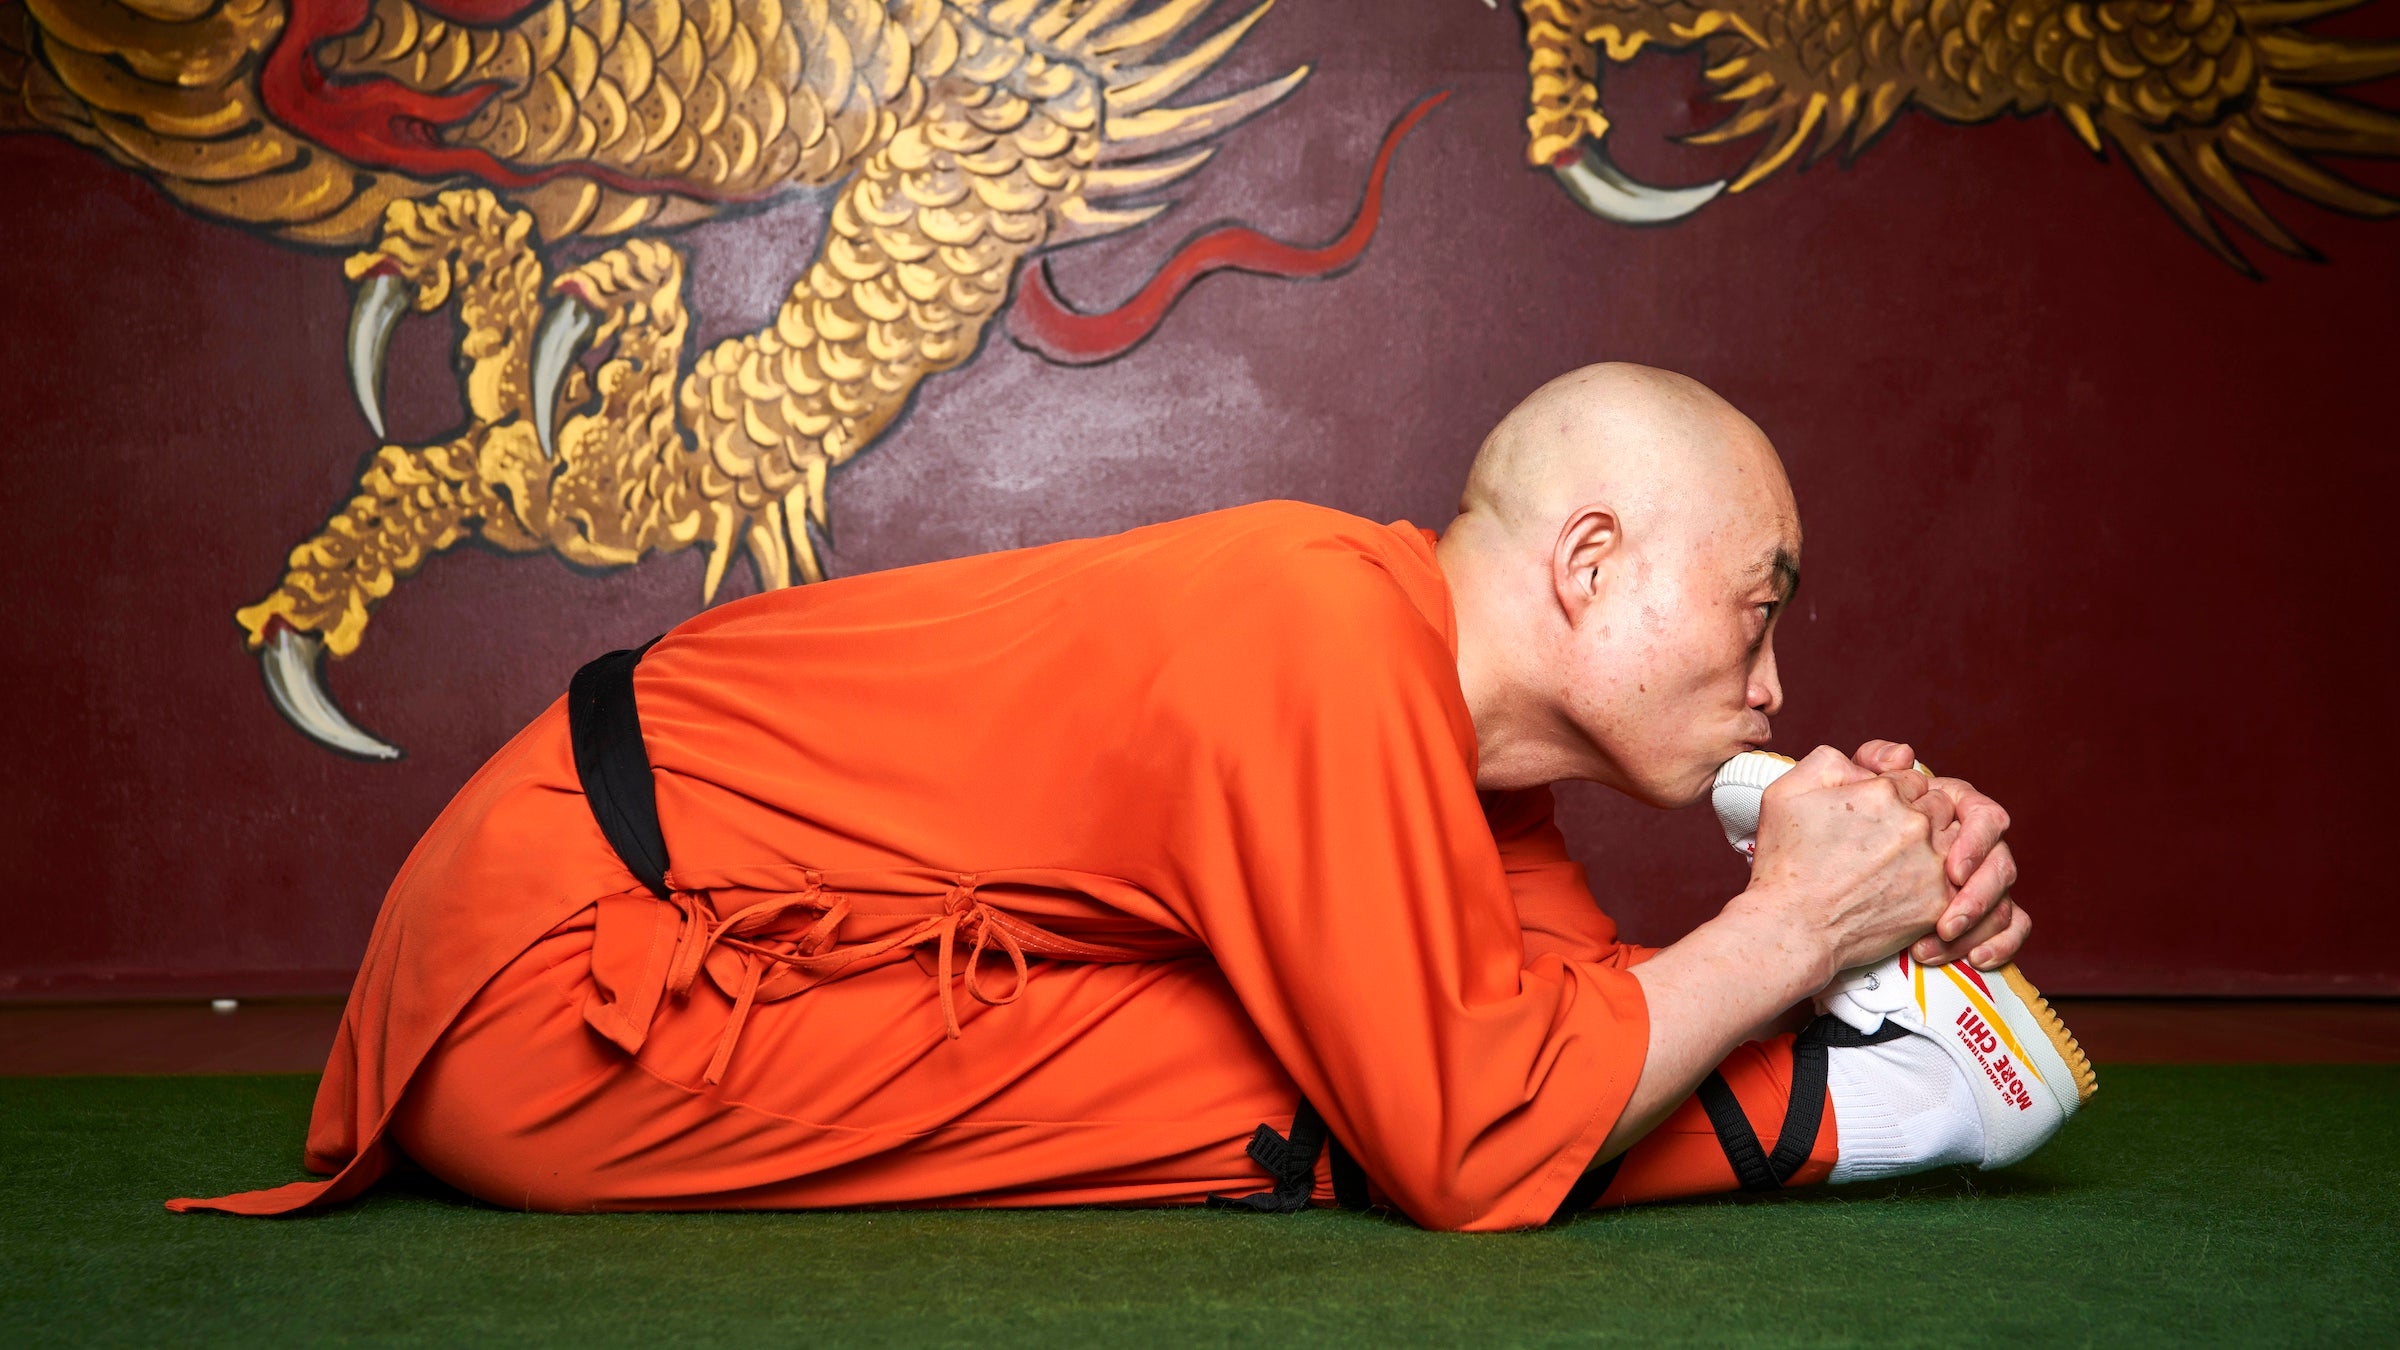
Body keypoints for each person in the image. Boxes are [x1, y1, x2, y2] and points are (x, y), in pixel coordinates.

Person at [173, 364, 2090, 1231]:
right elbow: (1477, 1134)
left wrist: (1844, 885)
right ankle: (1863, 1109)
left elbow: (1566, 1021)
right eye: (1760, 609)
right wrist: (1796, 932)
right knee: (1322, 1070)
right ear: (1588, 563)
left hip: (678, 943)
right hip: (565, 983)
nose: (1778, 679)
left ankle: (1854, 1061)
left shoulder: (1428, 720)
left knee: (1451, 1032)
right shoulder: (1318, 633)